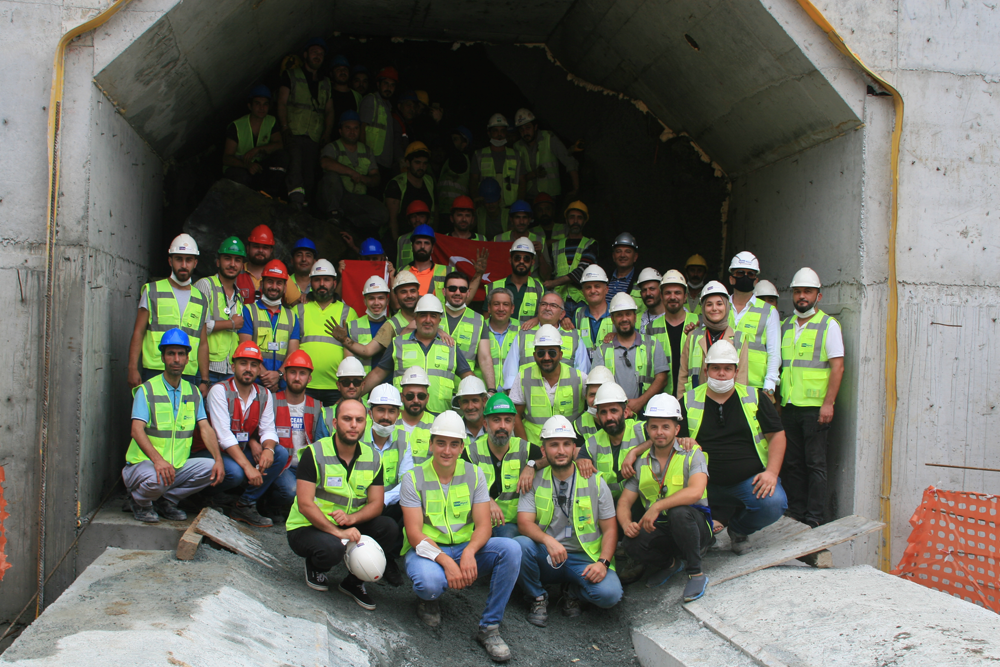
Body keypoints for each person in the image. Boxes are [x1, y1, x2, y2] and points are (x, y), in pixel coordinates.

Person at [400, 411, 521, 662]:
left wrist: (468, 553)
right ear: (431, 444)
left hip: (466, 546)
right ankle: (429, 600)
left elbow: (484, 526)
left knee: (511, 549)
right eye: (441, 443)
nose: (447, 451)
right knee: (429, 583)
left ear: (461, 447)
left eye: (454, 444)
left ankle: (490, 628)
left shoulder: (474, 474)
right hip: (428, 552)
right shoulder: (413, 478)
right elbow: (414, 535)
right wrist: (446, 561)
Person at [285, 398, 401, 609]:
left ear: (365, 424)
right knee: (331, 550)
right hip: (307, 526)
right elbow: (305, 504)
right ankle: (315, 566)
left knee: (389, 528)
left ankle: (354, 582)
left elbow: (376, 504)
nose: (354, 425)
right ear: (336, 423)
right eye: (347, 419)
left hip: (346, 522)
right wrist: (338, 533)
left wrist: (351, 519)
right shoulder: (315, 453)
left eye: (359, 420)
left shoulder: (373, 458)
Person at [679, 340, 787, 555]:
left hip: (747, 481)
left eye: (727, 369)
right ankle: (702, 535)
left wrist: (772, 473)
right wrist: (682, 441)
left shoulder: (755, 398)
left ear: (736, 372)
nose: (721, 374)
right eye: (716, 368)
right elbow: (675, 438)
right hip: (702, 483)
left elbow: (777, 435)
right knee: (676, 506)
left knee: (774, 503)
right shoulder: (688, 400)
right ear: (706, 369)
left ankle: (738, 530)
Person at [515, 415, 622, 627]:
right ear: (543, 451)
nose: (561, 450)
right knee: (519, 545)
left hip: (584, 558)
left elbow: (610, 530)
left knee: (610, 595)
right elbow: (524, 523)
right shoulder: (534, 480)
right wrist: (548, 541)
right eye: (554, 445)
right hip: (549, 556)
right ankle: (537, 596)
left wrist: (603, 563)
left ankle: (572, 592)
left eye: (566, 444)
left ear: (575, 448)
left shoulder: (595, 481)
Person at [123, 329, 225, 523]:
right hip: (143, 466)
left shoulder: (193, 392)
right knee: (159, 478)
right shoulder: (147, 389)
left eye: (180, 354)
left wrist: (218, 459)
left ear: (188, 359)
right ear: (162, 357)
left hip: (175, 467)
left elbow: (205, 428)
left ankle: (166, 501)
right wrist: (158, 461)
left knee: (211, 468)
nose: (176, 359)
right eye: (171, 353)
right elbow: (136, 430)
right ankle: (139, 501)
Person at [617, 394, 712, 601]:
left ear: (676, 429)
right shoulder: (642, 462)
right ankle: (671, 564)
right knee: (631, 542)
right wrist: (626, 525)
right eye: (654, 427)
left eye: (665, 427)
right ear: (648, 430)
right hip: (662, 528)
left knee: (679, 513)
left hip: (695, 525)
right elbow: (624, 501)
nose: (659, 432)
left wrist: (658, 506)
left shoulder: (691, 453)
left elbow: (696, 491)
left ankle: (695, 573)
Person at [195, 341, 289, 527]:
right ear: (233, 366)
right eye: (243, 363)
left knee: (280, 453)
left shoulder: (264, 394)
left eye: (254, 365)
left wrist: (268, 449)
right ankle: (199, 495)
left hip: (238, 450)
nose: (248, 369)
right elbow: (224, 436)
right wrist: (248, 467)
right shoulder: (219, 391)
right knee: (236, 472)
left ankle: (245, 504)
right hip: (210, 452)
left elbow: (268, 429)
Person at [779, 268, 845, 528]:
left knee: (815, 464)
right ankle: (796, 512)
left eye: (807, 292)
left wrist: (828, 403)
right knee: (793, 463)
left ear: (818, 295)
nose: (802, 296)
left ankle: (815, 517)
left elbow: (837, 367)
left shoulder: (828, 325)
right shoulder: (785, 325)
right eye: (798, 291)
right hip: (790, 406)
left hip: (815, 408)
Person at [361, 295, 474, 415]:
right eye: (423, 315)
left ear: (439, 320)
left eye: (433, 316)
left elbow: (469, 378)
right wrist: (355, 395)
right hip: (404, 416)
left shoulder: (450, 346)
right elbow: (378, 373)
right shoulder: (398, 343)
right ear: (415, 318)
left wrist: (483, 399)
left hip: (439, 417)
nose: (428, 320)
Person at [127, 234, 209, 392]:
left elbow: (203, 342)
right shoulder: (152, 290)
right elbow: (138, 332)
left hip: (188, 373)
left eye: (189, 260)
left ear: (195, 263)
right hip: (155, 369)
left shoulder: (201, 299)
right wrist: (132, 368)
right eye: (179, 259)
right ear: (170, 261)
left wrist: (204, 379)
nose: (184, 265)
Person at [467, 394, 537, 539]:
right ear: (485, 424)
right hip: (478, 524)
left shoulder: (525, 449)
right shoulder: (470, 452)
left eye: (508, 420)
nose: (502, 426)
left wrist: (532, 465)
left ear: (513, 425)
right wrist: (486, 499)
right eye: (496, 420)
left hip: (513, 525)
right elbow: (460, 483)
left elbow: (554, 457)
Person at [277, 37, 334, 209]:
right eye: (314, 52)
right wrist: (285, 127)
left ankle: (305, 207)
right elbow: (281, 102)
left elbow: (330, 110)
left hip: (314, 136)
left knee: (309, 174)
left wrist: (326, 134)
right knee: (295, 168)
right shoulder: (291, 75)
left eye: (321, 54)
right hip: (294, 132)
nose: (318, 56)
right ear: (305, 55)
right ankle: (295, 204)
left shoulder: (325, 83)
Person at [592, 293, 670, 411]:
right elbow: (596, 386)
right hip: (614, 415)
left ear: (635, 316)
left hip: (647, 411)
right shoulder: (602, 350)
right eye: (619, 315)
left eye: (628, 314)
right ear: (612, 319)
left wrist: (640, 402)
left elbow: (662, 379)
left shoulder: (652, 344)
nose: (624, 319)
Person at [296, 260, 358, 405]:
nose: (322, 284)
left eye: (327, 280)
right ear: (311, 283)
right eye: (317, 280)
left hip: (336, 386)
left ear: (335, 283)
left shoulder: (348, 312)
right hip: (305, 384)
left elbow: (351, 351)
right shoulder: (298, 310)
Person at [511, 325, 587, 443]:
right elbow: (515, 416)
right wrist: (526, 448)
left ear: (560, 355)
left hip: (567, 447)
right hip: (534, 447)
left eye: (552, 352)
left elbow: (593, 410)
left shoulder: (579, 378)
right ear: (534, 355)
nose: (546, 357)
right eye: (541, 353)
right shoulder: (523, 377)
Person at [268, 350, 322, 514]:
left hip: (305, 467)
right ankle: (270, 505)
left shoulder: (317, 406)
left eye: (302, 373)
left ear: (309, 378)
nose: (297, 378)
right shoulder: (272, 400)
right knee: (291, 491)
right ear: (284, 376)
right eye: (292, 372)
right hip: (281, 466)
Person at [502, 292, 589, 390]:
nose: (547, 308)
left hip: (565, 399)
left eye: (553, 305)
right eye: (543, 304)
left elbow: (582, 372)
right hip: (529, 398)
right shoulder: (523, 334)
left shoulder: (574, 336)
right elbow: (510, 371)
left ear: (562, 314)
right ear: (538, 309)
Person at [676, 281, 750, 397]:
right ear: (703, 308)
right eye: (709, 304)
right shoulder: (693, 336)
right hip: (697, 402)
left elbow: (741, 378)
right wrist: (681, 404)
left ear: (726, 306)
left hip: (728, 403)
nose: (714, 308)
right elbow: (683, 375)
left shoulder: (739, 338)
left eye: (719, 304)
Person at [238, 260, 300, 392]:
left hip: (281, 386)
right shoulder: (248, 311)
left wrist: (278, 375)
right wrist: (267, 377)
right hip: (253, 384)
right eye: (270, 281)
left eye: (279, 283)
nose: (274, 286)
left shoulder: (292, 317)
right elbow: (245, 348)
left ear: (285, 287)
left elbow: (292, 353)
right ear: (262, 284)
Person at [319, 110, 385, 230]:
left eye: (356, 128)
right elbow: (325, 163)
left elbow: (376, 178)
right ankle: (333, 214)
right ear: (340, 131)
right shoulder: (332, 147)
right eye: (348, 128)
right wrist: (352, 173)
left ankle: (349, 223)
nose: (352, 132)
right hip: (338, 195)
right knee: (331, 177)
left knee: (382, 214)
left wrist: (364, 179)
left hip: (356, 198)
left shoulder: (367, 151)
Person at [582, 382, 649, 500]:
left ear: (626, 412)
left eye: (613, 411)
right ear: (597, 415)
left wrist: (634, 452)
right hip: (609, 506)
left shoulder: (642, 429)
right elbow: (580, 458)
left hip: (643, 503)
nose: (608, 417)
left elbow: (663, 439)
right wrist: (580, 461)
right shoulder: (592, 443)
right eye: (603, 412)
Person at [728, 251, 780, 397]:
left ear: (756, 280)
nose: (745, 277)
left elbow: (774, 353)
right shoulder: (720, 307)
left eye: (750, 274)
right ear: (731, 279)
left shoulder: (769, 312)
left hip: (755, 386)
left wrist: (769, 386)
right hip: (722, 384)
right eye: (740, 273)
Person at [194, 236, 245, 384]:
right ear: (218, 262)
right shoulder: (205, 285)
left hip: (229, 371)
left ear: (242, 266)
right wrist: (230, 324)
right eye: (227, 258)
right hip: (205, 369)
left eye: (237, 260)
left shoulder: (239, 296)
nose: (232, 264)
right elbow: (197, 326)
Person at [222, 84, 285, 197]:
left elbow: (279, 145)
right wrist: (247, 165)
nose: (262, 108)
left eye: (265, 104)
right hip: (239, 168)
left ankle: (268, 196)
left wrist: (258, 149)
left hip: (259, 167)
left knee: (282, 157)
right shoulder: (236, 126)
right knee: (241, 178)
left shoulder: (271, 121)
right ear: (250, 106)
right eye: (257, 103)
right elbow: (226, 158)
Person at [645, 270, 700, 395]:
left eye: (677, 293)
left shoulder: (698, 322)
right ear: (662, 296)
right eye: (668, 293)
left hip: (691, 395)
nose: (673, 297)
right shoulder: (651, 328)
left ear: (685, 296)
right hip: (662, 397)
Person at [513, 108, 579, 201]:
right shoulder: (517, 146)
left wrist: (576, 189)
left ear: (535, 127)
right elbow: (518, 177)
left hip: (550, 196)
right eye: (521, 129)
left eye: (528, 127)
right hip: (529, 196)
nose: (525, 132)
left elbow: (569, 161)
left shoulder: (549, 138)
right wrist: (534, 174)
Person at [544, 201, 597, 314]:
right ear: (567, 220)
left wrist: (553, 283)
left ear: (584, 221)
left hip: (582, 300)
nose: (575, 221)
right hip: (558, 300)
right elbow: (550, 272)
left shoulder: (590, 244)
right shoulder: (556, 246)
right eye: (572, 217)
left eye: (579, 218)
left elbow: (582, 271)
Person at [442, 272, 493, 384]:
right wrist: (437, 331)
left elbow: (485, 358)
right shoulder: (430, 313)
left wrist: (491, 389)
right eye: (452, 288)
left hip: (464, 389)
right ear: (444, 291)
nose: (457, 292)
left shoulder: (479, 320)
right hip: (435, 388)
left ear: (468, 292)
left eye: (462, 289)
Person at [235, 224, 302, 306]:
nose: (260, 250)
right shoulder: (236, 271)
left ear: (271, 251)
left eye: (265, 247)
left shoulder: (280, 274)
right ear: (248, 249)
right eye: (256, 246)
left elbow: (297, 303)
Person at [470, 113, 526, 209]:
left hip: (510, 206)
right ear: (489, 133)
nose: (499, 134)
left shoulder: (517, 155)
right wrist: (476, 198)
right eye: (495, 131)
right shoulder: (479, 155)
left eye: (502, 131)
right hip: (486, 206)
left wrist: (518, 205)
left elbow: (522, 182)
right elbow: (473, 181)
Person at [359, 66, 401, 191]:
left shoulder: (388, 107)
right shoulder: (371, 100)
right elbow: (362, 127)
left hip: (384, 163)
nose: (389, 88)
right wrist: (363, 158)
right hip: (372, 162)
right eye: (386, 84)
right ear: (378, 84)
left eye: (392, 85)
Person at [385, 142, 435, 242]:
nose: (421, 167)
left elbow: (434, 214)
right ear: (407, 163)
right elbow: (392, 220)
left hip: (424, 239)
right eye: (417, 162)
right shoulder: (396, 184)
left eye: (425, 163)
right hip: (400, 238)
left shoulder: (429, 181)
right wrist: (397, 244)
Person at [342, 275, 391, 374]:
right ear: (365, 301)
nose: (376, 303)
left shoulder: (393, 325)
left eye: (381, 298)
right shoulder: (352, 326)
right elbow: (349, 364)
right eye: (371, 298)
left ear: (387, 301)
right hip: (362, 385)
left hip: (389, 386)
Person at [488, 237, 544, 321]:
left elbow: (548, 317)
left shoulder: (540, 288)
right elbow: (486, 321)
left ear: (532, 262)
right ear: (510, 260)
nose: (521, 261)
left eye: (526, 259)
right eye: (517, 258)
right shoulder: (492, 287)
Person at [314, 357, 370, 439]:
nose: (351, 386)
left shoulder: (372, 410)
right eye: (346, 382)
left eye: (356, 382)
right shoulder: (326, 414)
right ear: (338, 385)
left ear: (363, 385)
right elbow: (321, 448)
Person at [492, 201, 550, 279]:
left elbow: (546, 276)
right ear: (511, 220)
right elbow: (491, 270)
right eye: (517, 217)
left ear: (529, 220)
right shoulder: (498, 239)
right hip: (506, 286)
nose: (521, 222)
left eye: (524, 217)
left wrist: (540, 255)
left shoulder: (539, 241)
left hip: (533, 288)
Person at [480, 288, 519, 386]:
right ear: (489, 308)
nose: (501, 308)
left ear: (512, 308)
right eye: (496, 304)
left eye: (505, 304)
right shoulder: (478, 328)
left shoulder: (523, 329)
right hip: (484, 394)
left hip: (514, 394)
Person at [574, 265, 614, 359]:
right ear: (583, 292)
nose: (592, 290)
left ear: (606, 290)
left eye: (597, 286)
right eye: (588, 287)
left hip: (610, 371)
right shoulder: (578, 314)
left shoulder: (616, 312)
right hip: (584, 371)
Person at [436, 126, 473, 223]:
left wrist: (440, 123)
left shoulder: (460, 160)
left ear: (464, 144)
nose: (451, 142)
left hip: (455, 213)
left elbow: (449, 145)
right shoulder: (450, 161)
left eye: (455, 139)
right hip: (446, 211)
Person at [401, 225, 447, 302]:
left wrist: (475, 277)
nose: (422, 246)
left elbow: (461, 298)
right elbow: (395, 304)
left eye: (426, 243)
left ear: (432, 248)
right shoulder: (402, 271)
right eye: (418, 243)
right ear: (412, 246)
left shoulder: (446, 271)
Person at [572, 365, 615, 439]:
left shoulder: (624, 419)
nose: (596, 400)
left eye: (601, 393)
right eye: (592, 395)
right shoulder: (579, 425)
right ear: (586, 397)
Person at [605, 233, 641, 311]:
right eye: (618, 251)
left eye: (628, 251)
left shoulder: (640, 280)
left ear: (635, 257)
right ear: (613, 256)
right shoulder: (605, 278)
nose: (622, 255)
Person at [394, 200, 432, 268]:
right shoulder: (401, 240)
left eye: (422, 216)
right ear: (409, 220)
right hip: (405, 277)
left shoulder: (435, 238)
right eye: (413, 217)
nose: (417, 219)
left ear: (428, 219)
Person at [455, 375, 489, 444]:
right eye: (465, 401)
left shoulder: (494, 428)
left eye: (475, 400)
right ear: (460, 403)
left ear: (484, 401)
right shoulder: (454, 428)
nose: (470, 407)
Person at [634, 267, 663, 333]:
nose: (648, 293)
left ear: (661, 290)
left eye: (652, 289)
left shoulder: (674, 317)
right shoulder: (636, 319)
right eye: (644, 290)